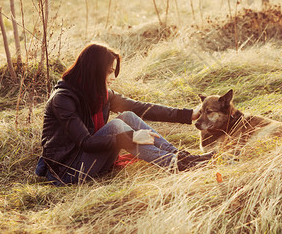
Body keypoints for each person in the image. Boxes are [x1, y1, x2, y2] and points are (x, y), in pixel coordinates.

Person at [35, 43, 213, 185]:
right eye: (110, 71)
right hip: (67, 172)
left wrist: (188, 114)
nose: (114, 77)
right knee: (117, 125)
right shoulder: (63, 99)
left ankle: (181, 158)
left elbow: (141, 108)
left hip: (90, 162)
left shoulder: (100, 94)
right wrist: (132, 136)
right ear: (94, 71)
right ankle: (174, 165)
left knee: (127, 116)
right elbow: (86, 143)